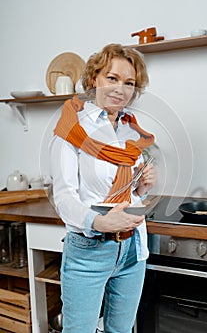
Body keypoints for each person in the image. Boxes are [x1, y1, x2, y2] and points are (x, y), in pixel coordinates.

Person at [49, 43, 157, 333]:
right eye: (112, 78)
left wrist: (142, 187)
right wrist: (99, 221)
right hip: (88, 250)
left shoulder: (130, 129)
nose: (120, 89)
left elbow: (128, 191)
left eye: (129, 82)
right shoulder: (72, 128)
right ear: (94, 78)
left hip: (133, 249)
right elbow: (63, 196)